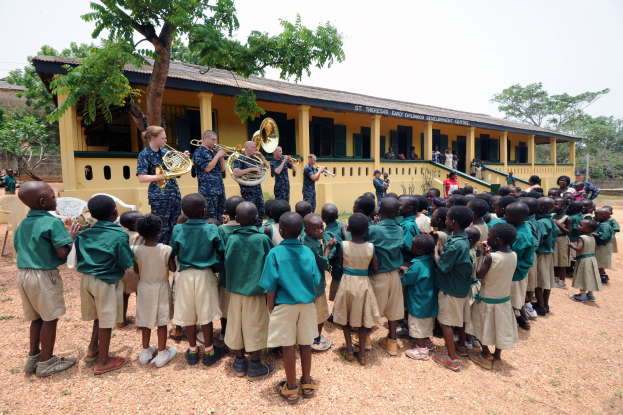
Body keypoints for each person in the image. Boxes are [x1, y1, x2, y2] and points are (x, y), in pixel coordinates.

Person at [14, 181, 79, 377]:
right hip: (43, 276)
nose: (56, 198)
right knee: (50, 319)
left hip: (24, 275)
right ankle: (47, 362)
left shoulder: (23, 223)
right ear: (43, 202)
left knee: (37, 318)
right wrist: (71, 237)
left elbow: (18, 248)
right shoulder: (52, 222)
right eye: (53, 196)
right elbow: (62, 253)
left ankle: (34, 357)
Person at [259, 212, 322, 403]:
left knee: (287, 345)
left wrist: (271, 308)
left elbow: (271, 285)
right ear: (302, 231)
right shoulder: (308, 252)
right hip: (306, 305)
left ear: (281, 231)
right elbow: (316, 281)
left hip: (284, 305)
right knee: (305, 343)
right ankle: (307, 383)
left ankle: (292, 387)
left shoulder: (275, 253)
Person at [75, 195, 134, 374]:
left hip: (86, 280)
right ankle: (103, 361)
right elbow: (126, 261)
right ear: (115, 212)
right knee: (106, 321)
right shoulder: (119, 233)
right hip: (106, 281)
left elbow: (81, 257)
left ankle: (92, 350)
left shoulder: (83, 234)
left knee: (98, 317)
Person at [169, 193, 226, 366]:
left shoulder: (178, 229)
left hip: (185, 276)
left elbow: (172, 253)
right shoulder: (212, 228)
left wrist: (173, 267)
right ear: (205, 211)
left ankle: (193, 351)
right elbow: (221, 251)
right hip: (205, 275)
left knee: (188, 313)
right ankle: (209, 351)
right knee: (206, 314)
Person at [224, 202, 275, 381]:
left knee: (237, 324)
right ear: (257, 218)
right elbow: (271, 264)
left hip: (236, 291)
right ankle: (255, 364)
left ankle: (239, 362)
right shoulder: (261, 239)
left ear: (236, 219)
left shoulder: (232, 239)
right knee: (256, 325)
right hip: (256, 292)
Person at [468, 223, 519, 370]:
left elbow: (479, 274)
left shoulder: (491, 257)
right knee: (500, 328)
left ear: (497, 240)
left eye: (489, 235)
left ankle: (485, 353)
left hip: (487, 298)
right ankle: (497, 357)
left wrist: (482, 255)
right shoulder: (513, 255)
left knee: (481, 325)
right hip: (503, 299)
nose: (487, 237)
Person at [333, 213, 381, 365]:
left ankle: (349, 350)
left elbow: (341, 263)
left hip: (347, 282)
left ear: (348, 230)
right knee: (363, 318)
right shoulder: (370, 247)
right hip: (363, 284)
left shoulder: (343, 245)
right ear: (367, 230)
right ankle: (361, 354)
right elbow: (375, 267)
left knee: (345, 317)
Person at [431, 206, 474, 371]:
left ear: (453, 222)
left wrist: (435, 251)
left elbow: (442, 265)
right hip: (460, 287)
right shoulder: (462, 240)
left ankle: (452, 358)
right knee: (459, 318)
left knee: (446, 322)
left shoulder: (455, 244)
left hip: (450, 288)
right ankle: (460, 346)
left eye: (448, 218)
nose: (446, 221)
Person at [360, 197, 405, 356]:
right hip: (394, 275)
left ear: (379, 210)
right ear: (398, 213)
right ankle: (392, 342)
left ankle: (364, 339)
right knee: (393, 309)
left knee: (371, 308)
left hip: (377, 275)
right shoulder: (400, 229)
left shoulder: (373, 230)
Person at [132, 214, 177, 367]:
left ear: (139, 232)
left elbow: (137, 270)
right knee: (162, 322)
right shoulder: (166, 249)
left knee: (145, 321)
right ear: (159, 230)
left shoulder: (136, 250)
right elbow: (172, 268)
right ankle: (162, 354)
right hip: (161, 287)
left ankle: (145, 352)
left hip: (144, 287)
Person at [136, 126, 187, 244]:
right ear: (153, 138)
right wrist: (159, 177)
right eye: (163, 138)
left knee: (176, 226)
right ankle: (161, 255)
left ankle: (173, 254)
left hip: (174, 193)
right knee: (161, 228)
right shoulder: (144, 154)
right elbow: (141, 177)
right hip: (159, 196)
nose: (166, 140)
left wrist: (181, 159)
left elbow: (176, 172)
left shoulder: (166, 152)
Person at [301, 213, 337, 352]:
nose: (321, 231)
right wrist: (328, 249)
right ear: (307, 231)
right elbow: (323, 264)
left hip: (307, 284)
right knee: (320, 314)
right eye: (316, 229)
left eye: (322, 227)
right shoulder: (314, 246)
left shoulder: (306, 239)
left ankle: (308, 336)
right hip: (317, 285)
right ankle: (315, 340)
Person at [401, 234, 437, 361]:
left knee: (417, 324)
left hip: (418, 302)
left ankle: (421, 349)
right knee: (426, 324)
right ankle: (427, 342)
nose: (410, 247)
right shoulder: (431, 261)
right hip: (428, 300)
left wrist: (405, 271)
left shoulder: (417, 265)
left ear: (419, 251)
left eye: (412, 246)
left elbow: (407, 280)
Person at [216, 196, 245, 341]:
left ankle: (224, 332)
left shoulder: (221, 229)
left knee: (225, 306)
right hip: (243, 277)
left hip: (226, 276)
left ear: (226, 211)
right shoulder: (246, 228)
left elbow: (219, 250)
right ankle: (241, 332)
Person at [503, 202, 534, 331]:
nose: (504, 216)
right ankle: (522, 319)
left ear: (515, 218)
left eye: (506, 214)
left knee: (512, 298)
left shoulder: (521, 235)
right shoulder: (522, 227)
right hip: (520, 269)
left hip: (516, 271)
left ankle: (511, 325)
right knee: (517, 297)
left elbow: (514, 253)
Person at [233, 141, 271, 227]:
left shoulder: (256, 158)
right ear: (246, 147)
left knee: (260, 211)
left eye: (255, 148)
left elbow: (267, 167)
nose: (255, 149)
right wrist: (251, 169)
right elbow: (236, 173)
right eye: (253, 147)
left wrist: (261, 156)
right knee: (249, 212)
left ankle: (259, 229)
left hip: (258, 189)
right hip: (248, 190)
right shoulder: (240, 158)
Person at [193, 130, 227, 222]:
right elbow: (207, 168)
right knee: (210, 218)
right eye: (213, 140)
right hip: (208, 191)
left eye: (216, 140)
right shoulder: (199, 152)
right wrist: (217, 156)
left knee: (221, 217)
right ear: (205, 138)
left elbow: (222, 169)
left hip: (219, 189)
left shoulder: (213, 153)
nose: (215, 142)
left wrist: (221, 156)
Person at [118, 211, 144, 328]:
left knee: (124, 295)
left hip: (122, 270)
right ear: (136, 224)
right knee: (140, 294)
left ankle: (122, 320)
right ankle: (141, 321)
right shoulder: (140, 236)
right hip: (137, 269)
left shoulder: (121, 234)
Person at [533, 198, 557, 316]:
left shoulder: (541, 223)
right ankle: (545, 304)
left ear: (541, 208)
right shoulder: (551, 220)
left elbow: (537, 240)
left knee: (539, 281)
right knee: (547, 280)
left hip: (541, 253)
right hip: (549, 253)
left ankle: (541, 306)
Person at [568, 219, 601, 303]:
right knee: (590, 275)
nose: (578, 226)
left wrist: (572, 245)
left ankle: (582, 296)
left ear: (589, 229)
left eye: (581, 225)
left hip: (584, 260)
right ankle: (590, 294)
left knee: (582, 276)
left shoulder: (581, 237)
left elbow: (578, 249)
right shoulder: (592, 236)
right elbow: (595, 247)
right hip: (592, 259)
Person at [321, 203, 344, 323]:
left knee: (338, 292)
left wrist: (326, 258)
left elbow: (332, 253)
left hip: (338, 267)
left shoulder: (327, 233)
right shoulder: (342, 225)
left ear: (322, 218)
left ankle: (336, 316)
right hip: (348, 264)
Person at [519, 197, 540, 321]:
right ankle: (528, 305)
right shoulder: (533, 220)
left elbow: (534, 242)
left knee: (528, 282)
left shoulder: (527, 224)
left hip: (528, 255)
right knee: (529, 282)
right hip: (531, 254)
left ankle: (527, 306)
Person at [552, 198, 572, 288]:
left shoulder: (567, 218)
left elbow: (569, 232)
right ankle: (556, 278)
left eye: (556, 204)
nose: (554, 206)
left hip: (562, 240)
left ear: (564, 206)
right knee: (555, 259)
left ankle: (562, 281)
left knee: (562, 261)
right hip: (553, 240)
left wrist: (558, 224)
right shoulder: (552, 215)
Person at [593, 208, 614, 285]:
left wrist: (594, 234)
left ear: (603, 216)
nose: (594, 216)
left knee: (600, 263)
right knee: (598, 261)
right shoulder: (602, 223)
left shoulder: (605, 226)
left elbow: (604, 236)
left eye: (596, 215)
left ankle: (600, 277)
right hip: (600, 246)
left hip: (603, 246)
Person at [398, 195, 420, 264]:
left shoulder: (408, 226)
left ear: (409, 208)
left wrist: (393, 242)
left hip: (406, 262)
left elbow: (407, 247)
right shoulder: (408, 223)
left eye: (400, 205)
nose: (397, 207)